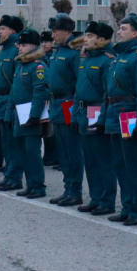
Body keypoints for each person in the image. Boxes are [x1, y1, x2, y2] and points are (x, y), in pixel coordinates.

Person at [96, 13, 137, 226]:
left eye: (124, 28)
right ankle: (127, 207)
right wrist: (103, 117)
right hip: (114, 112)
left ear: (136, 33)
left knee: (132, 164)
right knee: (119, 163)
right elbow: (108, 92)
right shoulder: (119, 56)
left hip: (129, 114)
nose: (119, 32)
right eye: (120, 28)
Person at [72, 21, 118, 215]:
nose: (85, 39)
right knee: (90, 159)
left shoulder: (107, 60)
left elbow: (108, 93)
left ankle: (107, 201)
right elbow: (79, 89)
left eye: (90, 36)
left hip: (97, 111)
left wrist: (103, 118)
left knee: (103, 158)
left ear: (102, 39)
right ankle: (95, 197)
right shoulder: (87, 58)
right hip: (84, 112)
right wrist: (75, 114)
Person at [46, 14, 85, 207]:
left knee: (72, 150)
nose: (53, 35)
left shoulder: (74, 53)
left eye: (56, 31)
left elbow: (79, 82)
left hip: (68, 103)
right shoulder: (58, 51)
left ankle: (75, 191)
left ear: (67, 31)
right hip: (56, 104)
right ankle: (67, 188)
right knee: (62, 151)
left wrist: (75, 107)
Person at [11, 28, 50, 199]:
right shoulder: (21, 65)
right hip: (19, 113)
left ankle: (38, 186)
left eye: (24, 45)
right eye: (20, 45)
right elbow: (15, 91)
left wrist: (34, 115)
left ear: (34, 46)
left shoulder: (38, 66)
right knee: (23, 152)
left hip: (30, 115)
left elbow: (40, 92)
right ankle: (30, 184)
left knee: (32, 153)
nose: (20, 48)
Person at [0, 15, 25, 191]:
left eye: (3, 28)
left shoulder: (16, 50)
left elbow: (17, 81)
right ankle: (9, 175)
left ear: (12, 31)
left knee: (14, 142)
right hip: (1, 100)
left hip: (11, 101)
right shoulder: (3, 50)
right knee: (6, 142)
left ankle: (15, 177)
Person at [40, 30, 58, 168]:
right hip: (46, 97)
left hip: (56, 97)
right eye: (42, 42)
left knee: (56, 129)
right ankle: (48, 155)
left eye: (47, 41)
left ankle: (55, 156)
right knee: (47, 127)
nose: (44, 44)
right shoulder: (42, 57)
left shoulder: (55, 56)